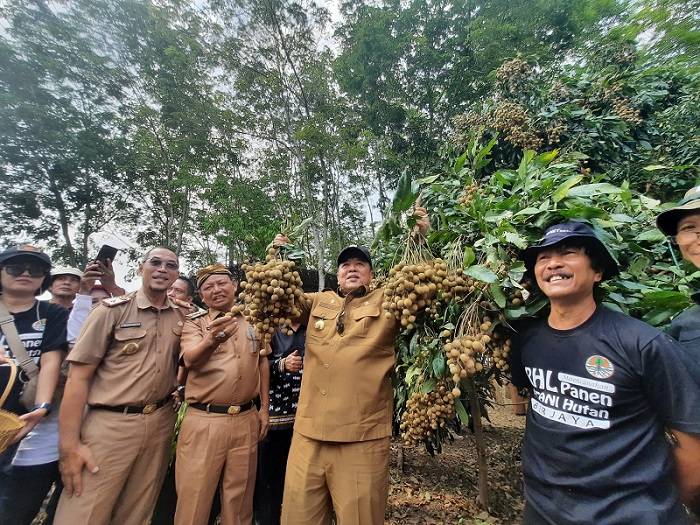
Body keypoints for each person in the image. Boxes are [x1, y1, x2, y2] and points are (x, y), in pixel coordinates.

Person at [510, 220, 700, 524]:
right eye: (543, 258)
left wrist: (660, 501)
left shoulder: (642, 343)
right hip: (543, 511)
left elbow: (691, 442)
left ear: (597, 272)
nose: (553, 263)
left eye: (568, 253)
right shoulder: (526, 339)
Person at [276, 205, 428, 525]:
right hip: (308, 435)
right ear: (337, 274)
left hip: (361, 440)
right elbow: (278, 301)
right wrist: (280, 259)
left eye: (360, 263)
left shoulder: (387, 300)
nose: (352, 268)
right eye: (345, 264)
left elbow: (421, 290)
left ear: (372, 274)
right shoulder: (318, 301)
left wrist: (419, 241)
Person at [54, 247, 185, 525]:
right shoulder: (110, 312)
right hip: (110, 426)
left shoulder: (183, 316)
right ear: (141, 268)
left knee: (138, 512)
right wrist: (69, 447)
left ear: (176, 275)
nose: (163, 269)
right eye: (156, 262)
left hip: (160, 423)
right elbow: (78, 378)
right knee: (84, 511)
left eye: (170, 265)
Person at [174, 263, 270, 525]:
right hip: (204, 421)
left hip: (246, 419)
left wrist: (264, 409)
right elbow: (190, 361)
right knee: (194, 497)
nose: (216, 290)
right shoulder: (195, 324)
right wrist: (211, 340)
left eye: (221, 283)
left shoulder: (254, 318)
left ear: (235, 286)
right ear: (201, 296)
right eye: (208, 288)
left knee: (239, 500)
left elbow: (262, 361)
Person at [0, 246, 68, 525]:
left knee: (14, 507)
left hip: (25, 420)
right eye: (16, 268)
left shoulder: (52, 313)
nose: (26, 273)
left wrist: (41, 406)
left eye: (36, 269)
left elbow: (51, 362)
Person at [254, 322, 306, 525]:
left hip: (307, 420)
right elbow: (258, 364)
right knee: (270, 481)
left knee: (302, 483)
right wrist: (282, 364)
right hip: (275, 420)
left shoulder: (315, 326)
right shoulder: (268, 327)